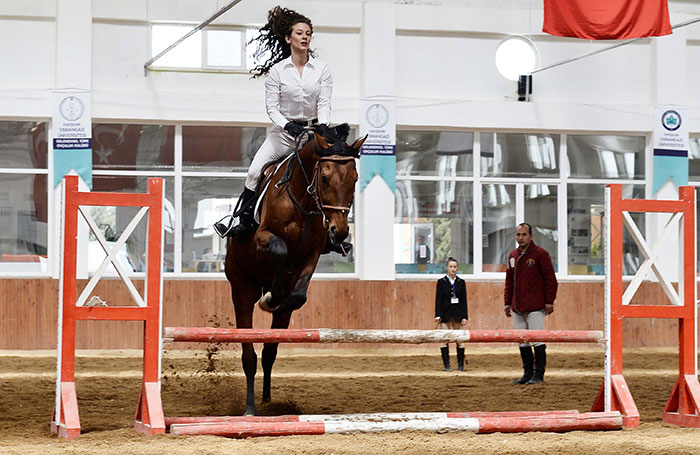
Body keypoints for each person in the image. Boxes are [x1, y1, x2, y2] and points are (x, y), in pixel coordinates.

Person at [214, 6, 346, 257]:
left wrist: (322, 126)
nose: (305, 37)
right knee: (254, 171)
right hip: (283, 135)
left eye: (308, 33)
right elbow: (272, 108)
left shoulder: (322, 69)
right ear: (289, 39)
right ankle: (239, 220)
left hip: (313, 133)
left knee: (334, 175)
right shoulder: (277, 71)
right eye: (299, 33)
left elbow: (325, 102)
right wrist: (289, 125)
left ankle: (333, 234)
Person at [504, 222, 558, 385]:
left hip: (535, 306)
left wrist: (549, 301)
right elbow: (509, 281)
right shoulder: (513, 255)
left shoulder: (541, 254)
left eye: (524, 234)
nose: (520, 238)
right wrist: (507, 302)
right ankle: (527, 374)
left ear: (531, 236)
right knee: (522, 340)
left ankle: (539, 375)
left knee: (537, 340)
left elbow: (551, 279)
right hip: (518, 306)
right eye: (518, 235)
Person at [434, 257, 468, 371]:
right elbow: (438, 299)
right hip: (445, 313)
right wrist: (438, 314)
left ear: (457, 268)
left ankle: (460, 365)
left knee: (459, 339)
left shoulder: (461, 282)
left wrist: (465, 316)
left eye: (454, 267)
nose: (452, 269)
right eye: (450, 267)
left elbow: (464, 300)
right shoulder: (441, 282)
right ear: (447, 268)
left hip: (458, 314)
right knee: (445, 338)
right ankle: (447, 365)